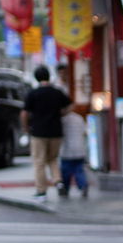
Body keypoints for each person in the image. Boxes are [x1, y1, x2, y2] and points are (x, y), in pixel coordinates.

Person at [22, 65, 72, 199]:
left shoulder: (33, 93)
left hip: (38, 132)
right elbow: (70, 105)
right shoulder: (57, 92)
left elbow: (25, 113)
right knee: (53, 159)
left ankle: (41, 191)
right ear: (49, 76)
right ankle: (58, 181)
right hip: (56, 131)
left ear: (36, 78)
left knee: (39, 162)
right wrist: (61, 114)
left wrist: (26, 127)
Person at [57, 106, 89, 199]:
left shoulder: (62, 120)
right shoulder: (79, 118)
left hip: (66, 151)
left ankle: (65, 189)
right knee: (79, 171)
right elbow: (84, 132)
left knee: (66, 173)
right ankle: (83, 185)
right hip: (80, 149)